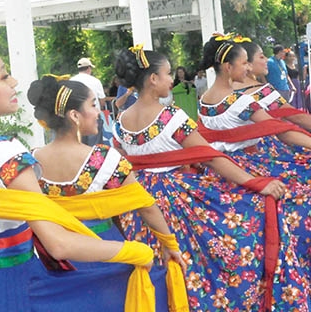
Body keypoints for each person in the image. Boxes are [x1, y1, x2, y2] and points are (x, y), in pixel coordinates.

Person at [0, 43, 155, 312]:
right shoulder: (6, 155)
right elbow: (59, 245)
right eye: (3, 76)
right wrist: (135, 251)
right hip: (12, 288)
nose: (14, 81)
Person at [112, 45, 288, 311]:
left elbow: (124, 165)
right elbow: (210, 157)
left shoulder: (120, 120)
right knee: (201, 263)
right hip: (173, 199)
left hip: (137, 204)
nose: (172, 79)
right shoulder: (169, 116)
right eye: (168, 73)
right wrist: (255, 183)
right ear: (153, 79)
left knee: (157, 267)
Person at [27, 75, 188, 311]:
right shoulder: (103, 159)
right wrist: (169, 244)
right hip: (104, 250)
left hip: (58, 259)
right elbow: (145, 205)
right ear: (74, 115)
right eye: (92, 105)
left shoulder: (31, 162)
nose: (98, 111)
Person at [198, 35, 311, 311]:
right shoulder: (239, 102)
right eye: (243, 64)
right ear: (228, 67)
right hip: (249, 168)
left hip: (218, 173)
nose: (247, 69)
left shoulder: (203, 101)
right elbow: (281, 130)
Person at [70, 57, 106, 146]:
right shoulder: (95, 81)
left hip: (76, 118)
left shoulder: (71, 81)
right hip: (93, 117)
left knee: (79, 145)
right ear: (89, 68)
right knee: (95, 146)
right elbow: (102, 101)